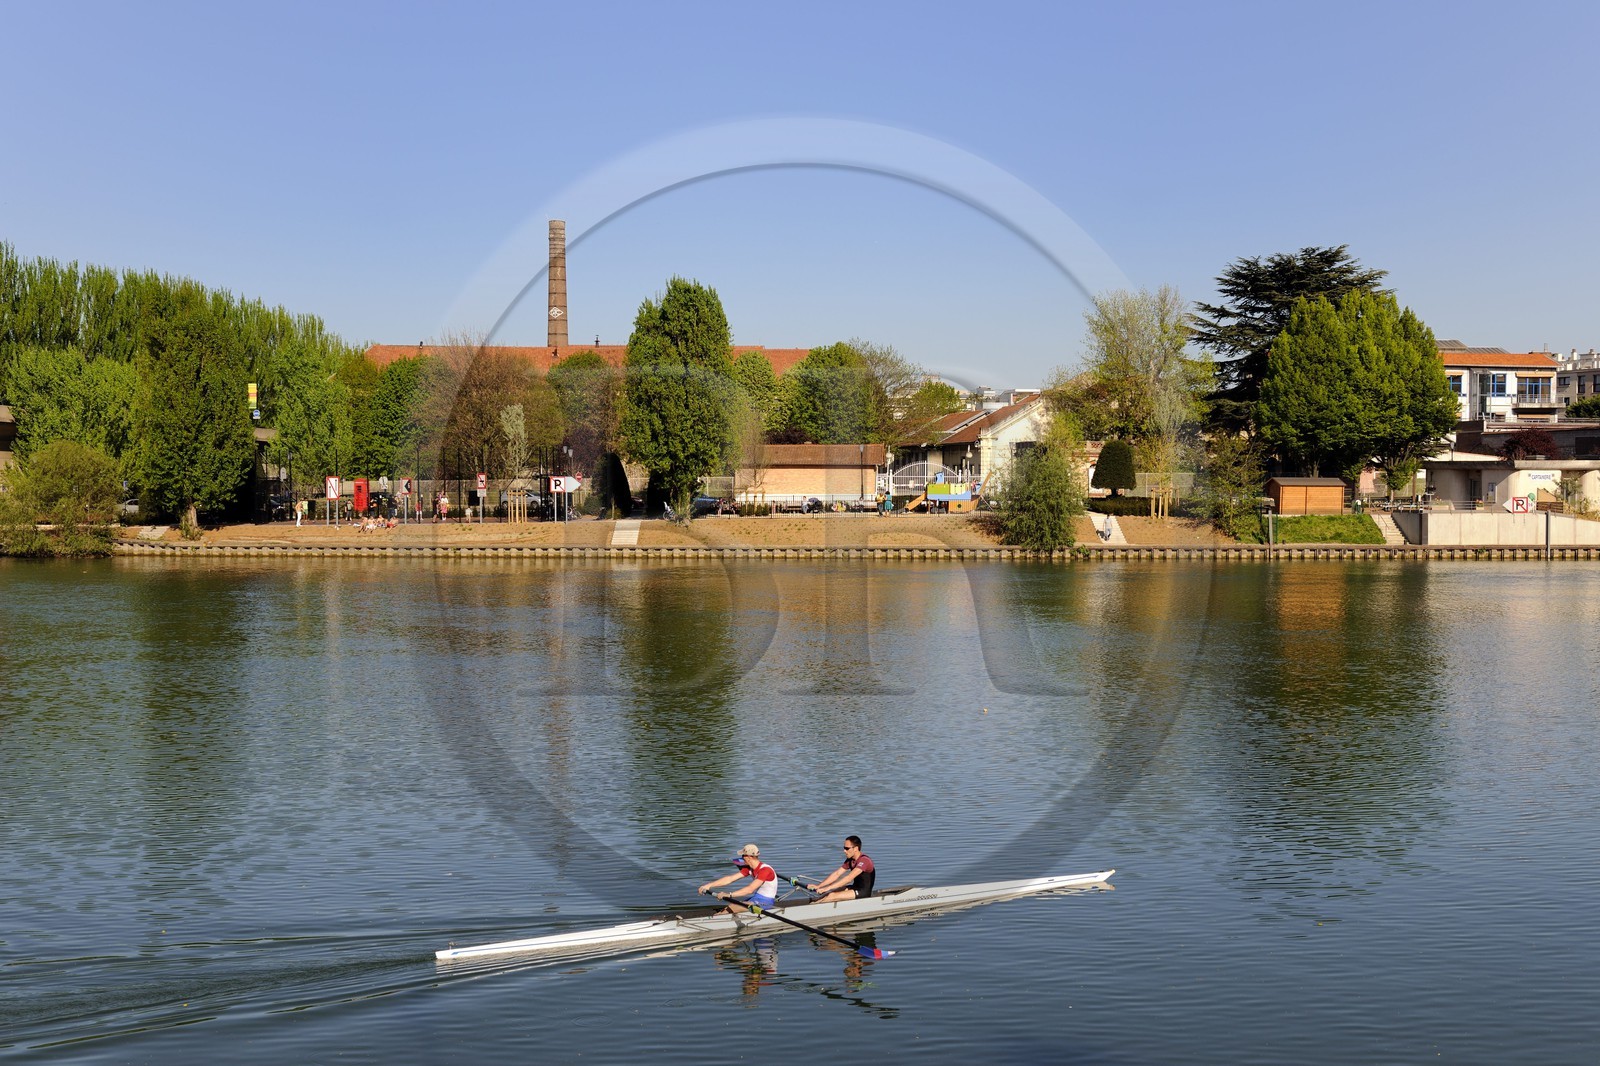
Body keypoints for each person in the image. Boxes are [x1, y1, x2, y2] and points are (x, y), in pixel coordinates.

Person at [699, 844, 779, 913]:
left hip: (766, 901)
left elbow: (750, 889)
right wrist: (709, 885)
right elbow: (730, 879)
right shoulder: (749, 868)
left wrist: (729, 895)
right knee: (728, 908)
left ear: (749, 857)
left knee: (732, 908)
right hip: (756, 898)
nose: (741, 858)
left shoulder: (765, 870)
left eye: (743, 856)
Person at [811, 835, 875, 902]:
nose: (844, 851)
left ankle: (812, 909)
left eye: (847, 848)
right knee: (827, 893)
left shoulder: (864, 861)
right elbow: (837, 874)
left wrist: (827, 888)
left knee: (831, 896)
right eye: (844, 848)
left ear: (856, 848)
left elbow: (848, 878)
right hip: (854, 888)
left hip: (863, 892)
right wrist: (819, 886)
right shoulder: (850, 860)